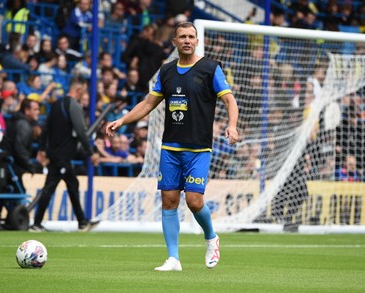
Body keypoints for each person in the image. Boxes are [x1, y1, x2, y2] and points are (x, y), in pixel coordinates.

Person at [106, 22, 239, 271]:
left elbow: (230, 101)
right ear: (175, 42)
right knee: (168, 201)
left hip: (199, 148)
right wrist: (122, 120)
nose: (187, 40)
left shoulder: (211, 69)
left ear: (197, 41)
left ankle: (211, 237)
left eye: (191, 36)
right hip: (170, 147)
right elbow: (148, 104)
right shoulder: (166, 71)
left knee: (194, 201)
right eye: (182, 37)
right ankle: (173, 259)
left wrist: (232, 126)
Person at [30, 78, 99, 232]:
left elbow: (45, 128)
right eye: (83, 91)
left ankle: (82, 221)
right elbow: (81, 131)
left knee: (72, 184)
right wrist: (90, 153)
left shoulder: (55, 104)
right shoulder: (73, 105)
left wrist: (42, 149)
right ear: (79, 90)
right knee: (50, 187)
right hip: (62, 155)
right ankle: (36, 223)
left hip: (56, 153)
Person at [0, 98, 40, 230]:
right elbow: (19, 148)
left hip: (5, 162)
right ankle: (11, 222)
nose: (38, 112)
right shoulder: (23, 125)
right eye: (35, 109)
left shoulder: (18, 121)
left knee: (2, 191)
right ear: (27, 111)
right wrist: (30, 166)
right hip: (10, 164)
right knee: (17, 193)